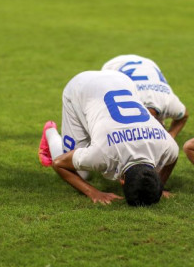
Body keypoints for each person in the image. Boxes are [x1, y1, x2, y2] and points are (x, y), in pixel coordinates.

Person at [38, 71, 179, 206]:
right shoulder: (103, 154)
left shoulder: (166, 145)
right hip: (81, 88)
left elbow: (173, 156)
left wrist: (158, 185)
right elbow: (58, 163)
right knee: (82, 174)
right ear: (121, 181)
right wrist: (93, 193)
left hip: (122, 79)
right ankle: (50, 132)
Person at [101, 54, 188, 138]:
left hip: (147, 64)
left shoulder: (170, 103)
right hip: (113, 66)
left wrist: (171, 135)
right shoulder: (127, 102)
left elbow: (184, 116)